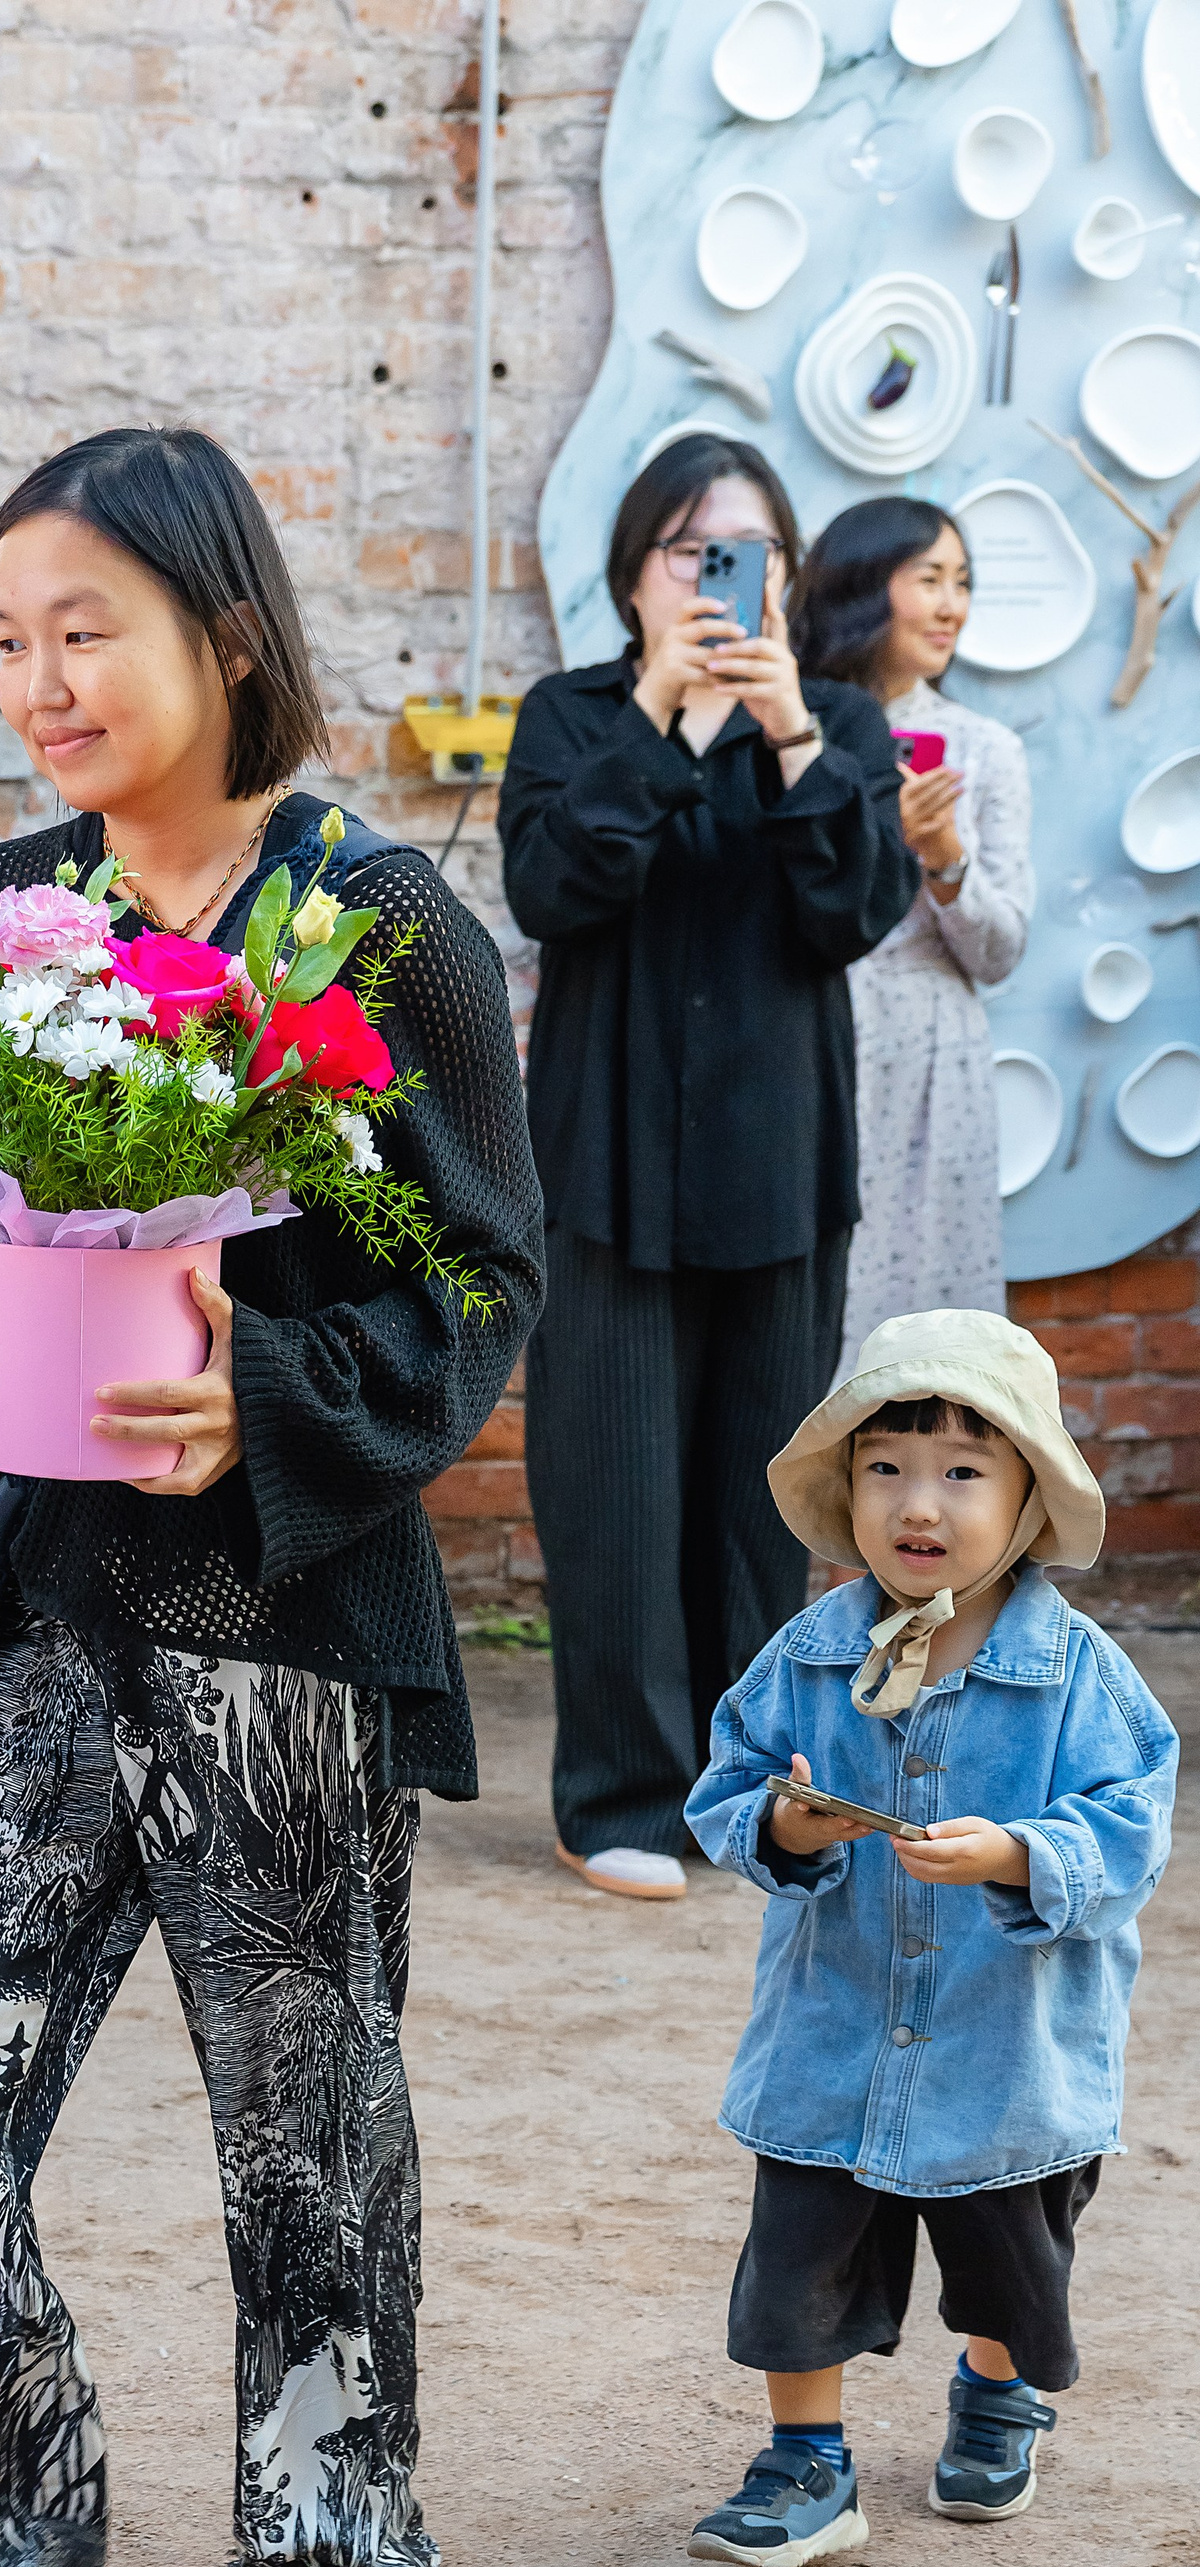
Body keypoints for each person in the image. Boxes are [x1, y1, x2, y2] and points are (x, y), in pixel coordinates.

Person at [0, 426, 544, 2567]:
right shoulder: (8, 909)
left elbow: (479, 1278)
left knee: (301, 2117)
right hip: (44, 1593)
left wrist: (265, 1397)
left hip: (284, 1618)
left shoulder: (377, 927)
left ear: (227, 637)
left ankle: (335, 2527)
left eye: (88, 631)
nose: (43, 683)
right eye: (10, 640)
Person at [681, 1312, 1173, 2567]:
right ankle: (804, 2458)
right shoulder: (807, 1653)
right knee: (799, 2248)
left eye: (962, 1470)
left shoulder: (1079, 1673)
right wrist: (781, 1821)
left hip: (1006, 2043)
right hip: (833, 2028)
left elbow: (1133, 1823)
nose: (918, 1502)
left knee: (1007, 2251)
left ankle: (997, 2389)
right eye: (886, 1466)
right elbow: (727, 1780)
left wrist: (1018, 1851)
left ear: (1027, 1498)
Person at [500, 435, 919, 1908]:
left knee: (764, 1502)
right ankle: (616, 1796)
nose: (715, 577)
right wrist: (662, 726)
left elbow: (853, 912)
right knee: (611, 1496)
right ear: (634, 576)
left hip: (778, 1165)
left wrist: (790, 734)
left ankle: (749, 1791)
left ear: (786, 577)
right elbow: (553, 889)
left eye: (745, 552)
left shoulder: (840, 725)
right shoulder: (573, 718)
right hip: (606, 1164)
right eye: (689, 551)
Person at [792, 500, 1031, 1366]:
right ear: (862, 585)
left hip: (931, 1064)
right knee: (795, 1334)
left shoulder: (984, 749)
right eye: (930, 578)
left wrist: (945, 858)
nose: (951, 605)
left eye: (962, 582)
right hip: (803, 1040)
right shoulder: (787, 731)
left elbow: (1000, 953)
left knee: (925, 1348)